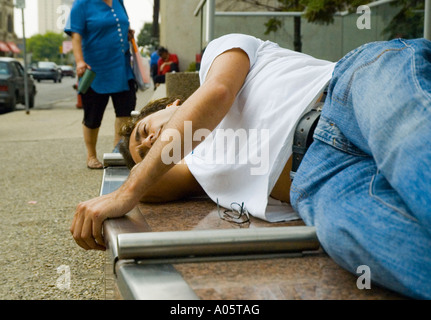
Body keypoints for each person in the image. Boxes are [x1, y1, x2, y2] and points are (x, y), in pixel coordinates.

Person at [71, 33, 431, 299]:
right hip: (319, 177)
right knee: (384, 245)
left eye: (146, 132)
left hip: (347, 90)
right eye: (143, 151)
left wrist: (129, 186)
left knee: (415, 154)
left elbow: (217, 95)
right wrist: (131, 189)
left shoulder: (217, 56)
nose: (149, 144)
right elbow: (157, 188)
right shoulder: (199, 169)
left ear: (174, 103)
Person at [65, 0, 137, 169]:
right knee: (93, 116)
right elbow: (76, 35)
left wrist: (127, 33)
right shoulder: (82, 4)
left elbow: (121, 25)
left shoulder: (119, 2)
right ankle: (91, 156)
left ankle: (118, 153)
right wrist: (79, 61)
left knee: (125, 112)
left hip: (121, 67)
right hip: (95, 69)